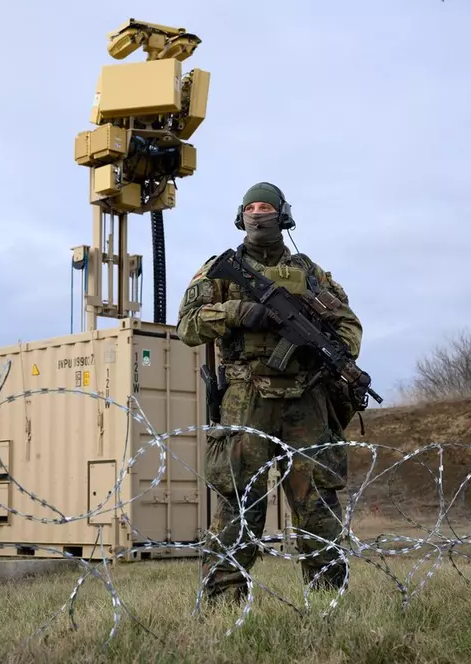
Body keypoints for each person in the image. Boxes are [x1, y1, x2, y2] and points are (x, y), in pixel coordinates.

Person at [175, 181, 364, 604]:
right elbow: (187, 325)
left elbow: (348, 325)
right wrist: (238, 312)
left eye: (267, 207)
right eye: (252, 208)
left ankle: (329, 596)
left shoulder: (310, 274)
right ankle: (225, 601)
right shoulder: (220, 269)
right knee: (240, 502)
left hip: (306, 397)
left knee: (317, 502)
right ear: (241, 216)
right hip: (246, 396)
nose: (259, 214)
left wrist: (330, 351)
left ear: (284, 215)